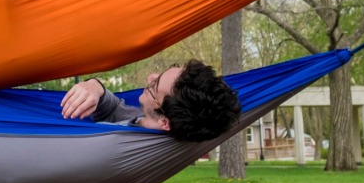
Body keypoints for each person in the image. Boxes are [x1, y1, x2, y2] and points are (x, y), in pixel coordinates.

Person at [58, 59, 242, 143]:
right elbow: (113, 109)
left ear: (165, 122)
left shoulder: (122, 146)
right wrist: (95, 86)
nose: (149, 77)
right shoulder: (147, 121)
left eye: (154, 86)